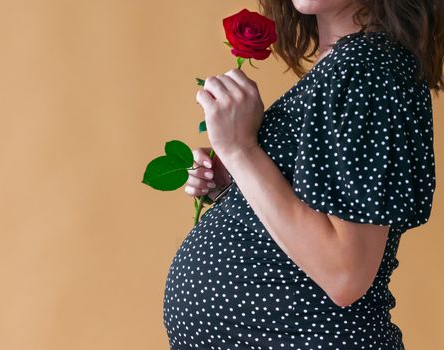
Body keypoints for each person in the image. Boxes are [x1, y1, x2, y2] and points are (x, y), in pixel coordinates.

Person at [163, 0, 443, 349]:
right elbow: (311, 225)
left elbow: (346, 273)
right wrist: (234, 186)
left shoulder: (366, 68)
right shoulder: (346, 66)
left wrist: (241, 150)